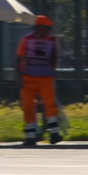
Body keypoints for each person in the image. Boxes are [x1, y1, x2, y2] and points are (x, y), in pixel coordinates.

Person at [17, 15, 61, 147]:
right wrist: (18, 76)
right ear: (38, 28)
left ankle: (54, 133)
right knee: (28, 106)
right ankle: (30, 135)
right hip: (28, 78)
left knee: (50, 105)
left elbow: (54, 55)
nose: (48, 30)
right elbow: (19, 58)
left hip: (45, 77)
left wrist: (53, 69)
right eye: (46, 28)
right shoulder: (26, 39)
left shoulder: (51, 39)